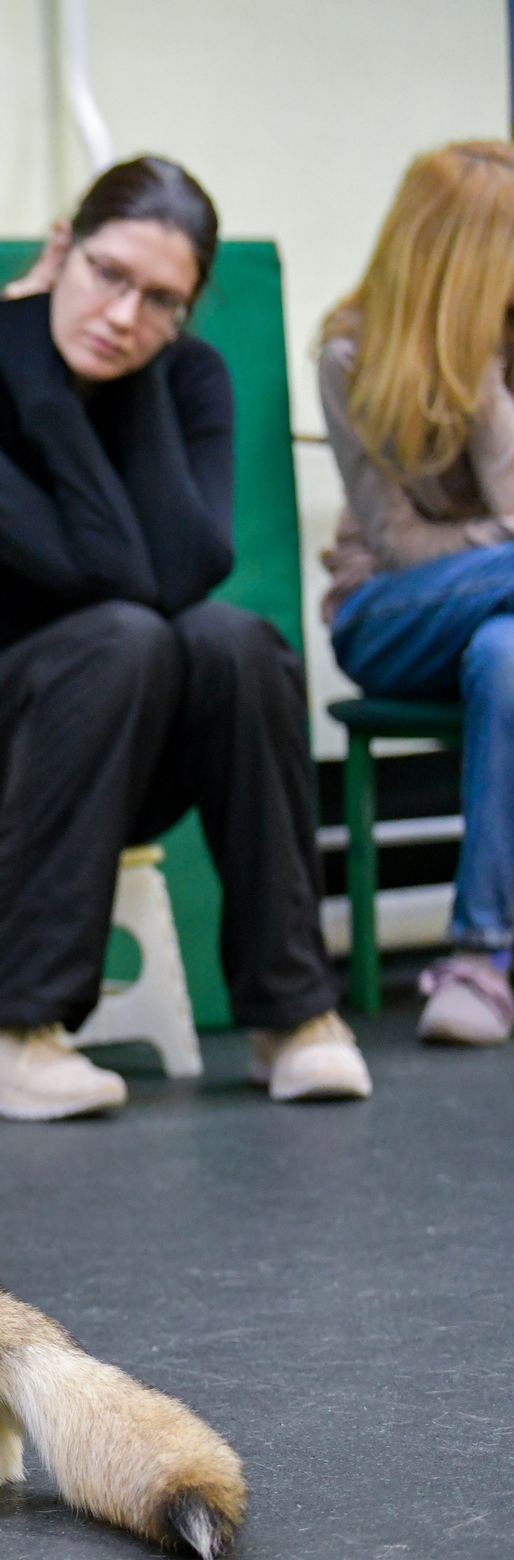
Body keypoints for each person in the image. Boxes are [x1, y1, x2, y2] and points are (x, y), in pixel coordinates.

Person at [0, 155, 369, 1120]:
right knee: (121, 636)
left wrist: (132, 387)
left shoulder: (186, 378)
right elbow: (103, 576)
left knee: (236, 643)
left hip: (106, 738)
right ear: (61, 250)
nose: (125, 316)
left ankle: (293, 1014)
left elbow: (186, 569)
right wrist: (39, 380)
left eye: (162, 301)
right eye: (109, 275)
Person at [320, 141, 514, 1046]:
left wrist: (488, 388)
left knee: (507, 656)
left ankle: (481, 958)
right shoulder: (351, 353)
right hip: (390, 616)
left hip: (495, 625)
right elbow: (398, 547)